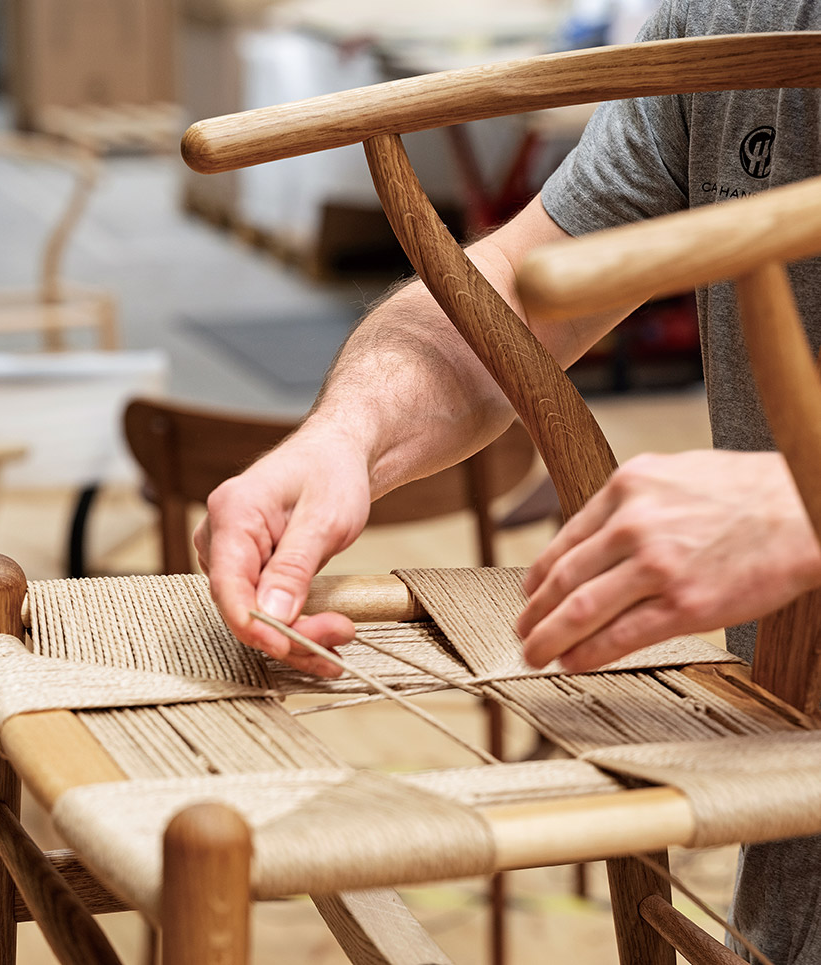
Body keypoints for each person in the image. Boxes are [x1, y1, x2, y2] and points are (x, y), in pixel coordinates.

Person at [194, 1, 821, 960]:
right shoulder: (736, 17)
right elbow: (515, 296)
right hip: (793, 781)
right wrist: (346, 434)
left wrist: (798, 506)